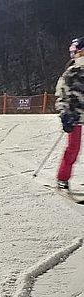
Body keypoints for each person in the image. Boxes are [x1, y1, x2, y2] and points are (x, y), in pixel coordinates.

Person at [54, 37, 84, 191]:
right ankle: (62, 178)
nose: (75, 56)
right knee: (73, 148)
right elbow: (61, 96)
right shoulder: (71, 73)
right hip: (75, 117)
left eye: (76, 52)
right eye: (73, 53)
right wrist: (65, 114)